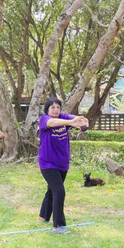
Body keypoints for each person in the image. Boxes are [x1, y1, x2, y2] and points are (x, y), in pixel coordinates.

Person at [37, 98, 88, 234]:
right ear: (47, 109)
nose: (55, 110)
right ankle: (58, 226)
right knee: (59, 191)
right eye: (52, 107)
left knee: (52, 189)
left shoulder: (63, 117)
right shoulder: (44, 119)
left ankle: (43, 216)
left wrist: (82, 121)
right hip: (47, 163)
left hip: (62, 163)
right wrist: (71, 122)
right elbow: (52, 122)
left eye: (58, 107)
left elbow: (77, 119)